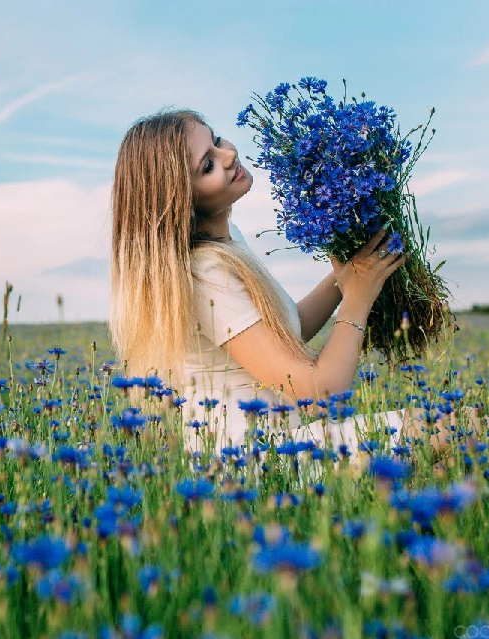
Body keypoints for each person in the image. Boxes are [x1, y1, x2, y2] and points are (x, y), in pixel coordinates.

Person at [109, 109, 453, 461]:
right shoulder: (206, 273)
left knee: (449, 449)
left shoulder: (228, 244)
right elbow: (320, 395)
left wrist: (346, 277)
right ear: (181, 200)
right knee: (457, 427)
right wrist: (359, 298)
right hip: (257, 462)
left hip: (285, 441)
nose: (229, 155)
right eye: (208, 165)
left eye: (216, 140)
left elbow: (288, 331)